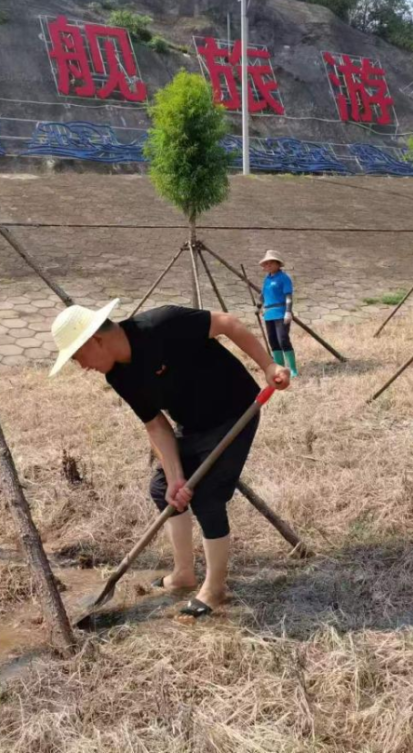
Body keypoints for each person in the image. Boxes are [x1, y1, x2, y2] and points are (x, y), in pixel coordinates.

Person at [49, 300, 290, 618]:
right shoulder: (118, 376)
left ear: (96, 340)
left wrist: (269, 366)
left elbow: (227, 323)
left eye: (77, 356)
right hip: (191, 425)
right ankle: (183, 574)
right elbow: (155, 424)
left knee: (207, 496)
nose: (82, 366)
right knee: (163, 488)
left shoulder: (161, 324)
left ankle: (215, 588)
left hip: (235, 414)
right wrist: (175, 476)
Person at [259, 250, 299, 378]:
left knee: (283, 339)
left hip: (281, 312)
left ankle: (293, 369)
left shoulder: (284, 278)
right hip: (269, 314)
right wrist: (259, 306)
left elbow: (288, 296)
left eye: (271, 262)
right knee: (273, 341)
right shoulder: (267, 279)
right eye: (266, 263)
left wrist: (288, 311)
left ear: (278, 264)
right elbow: (263, 296)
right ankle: (280, 368)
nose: (268, 265)